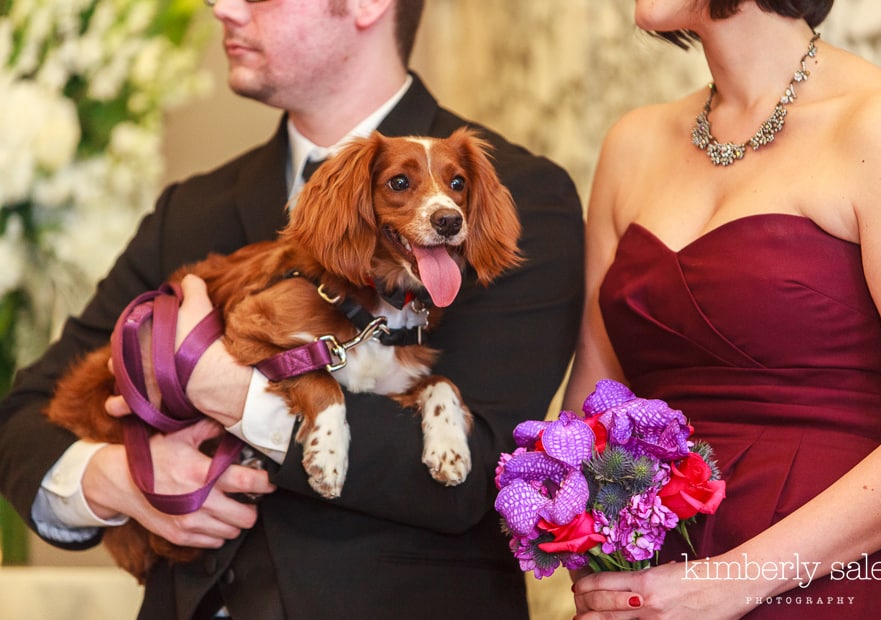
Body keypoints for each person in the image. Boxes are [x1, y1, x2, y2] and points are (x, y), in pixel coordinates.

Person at [0, 1, 585, 618]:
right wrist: (115, 477)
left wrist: (234, 394)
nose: (221, 8)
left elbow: (490, 470)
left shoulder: (513, 195)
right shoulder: (191, 206)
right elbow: (22, 416)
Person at [565, 0, 881, 618]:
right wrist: (598, 561)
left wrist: (734, 581)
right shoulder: (632, 143)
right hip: (659, 582)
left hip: (836, 575)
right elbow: (592, 407)